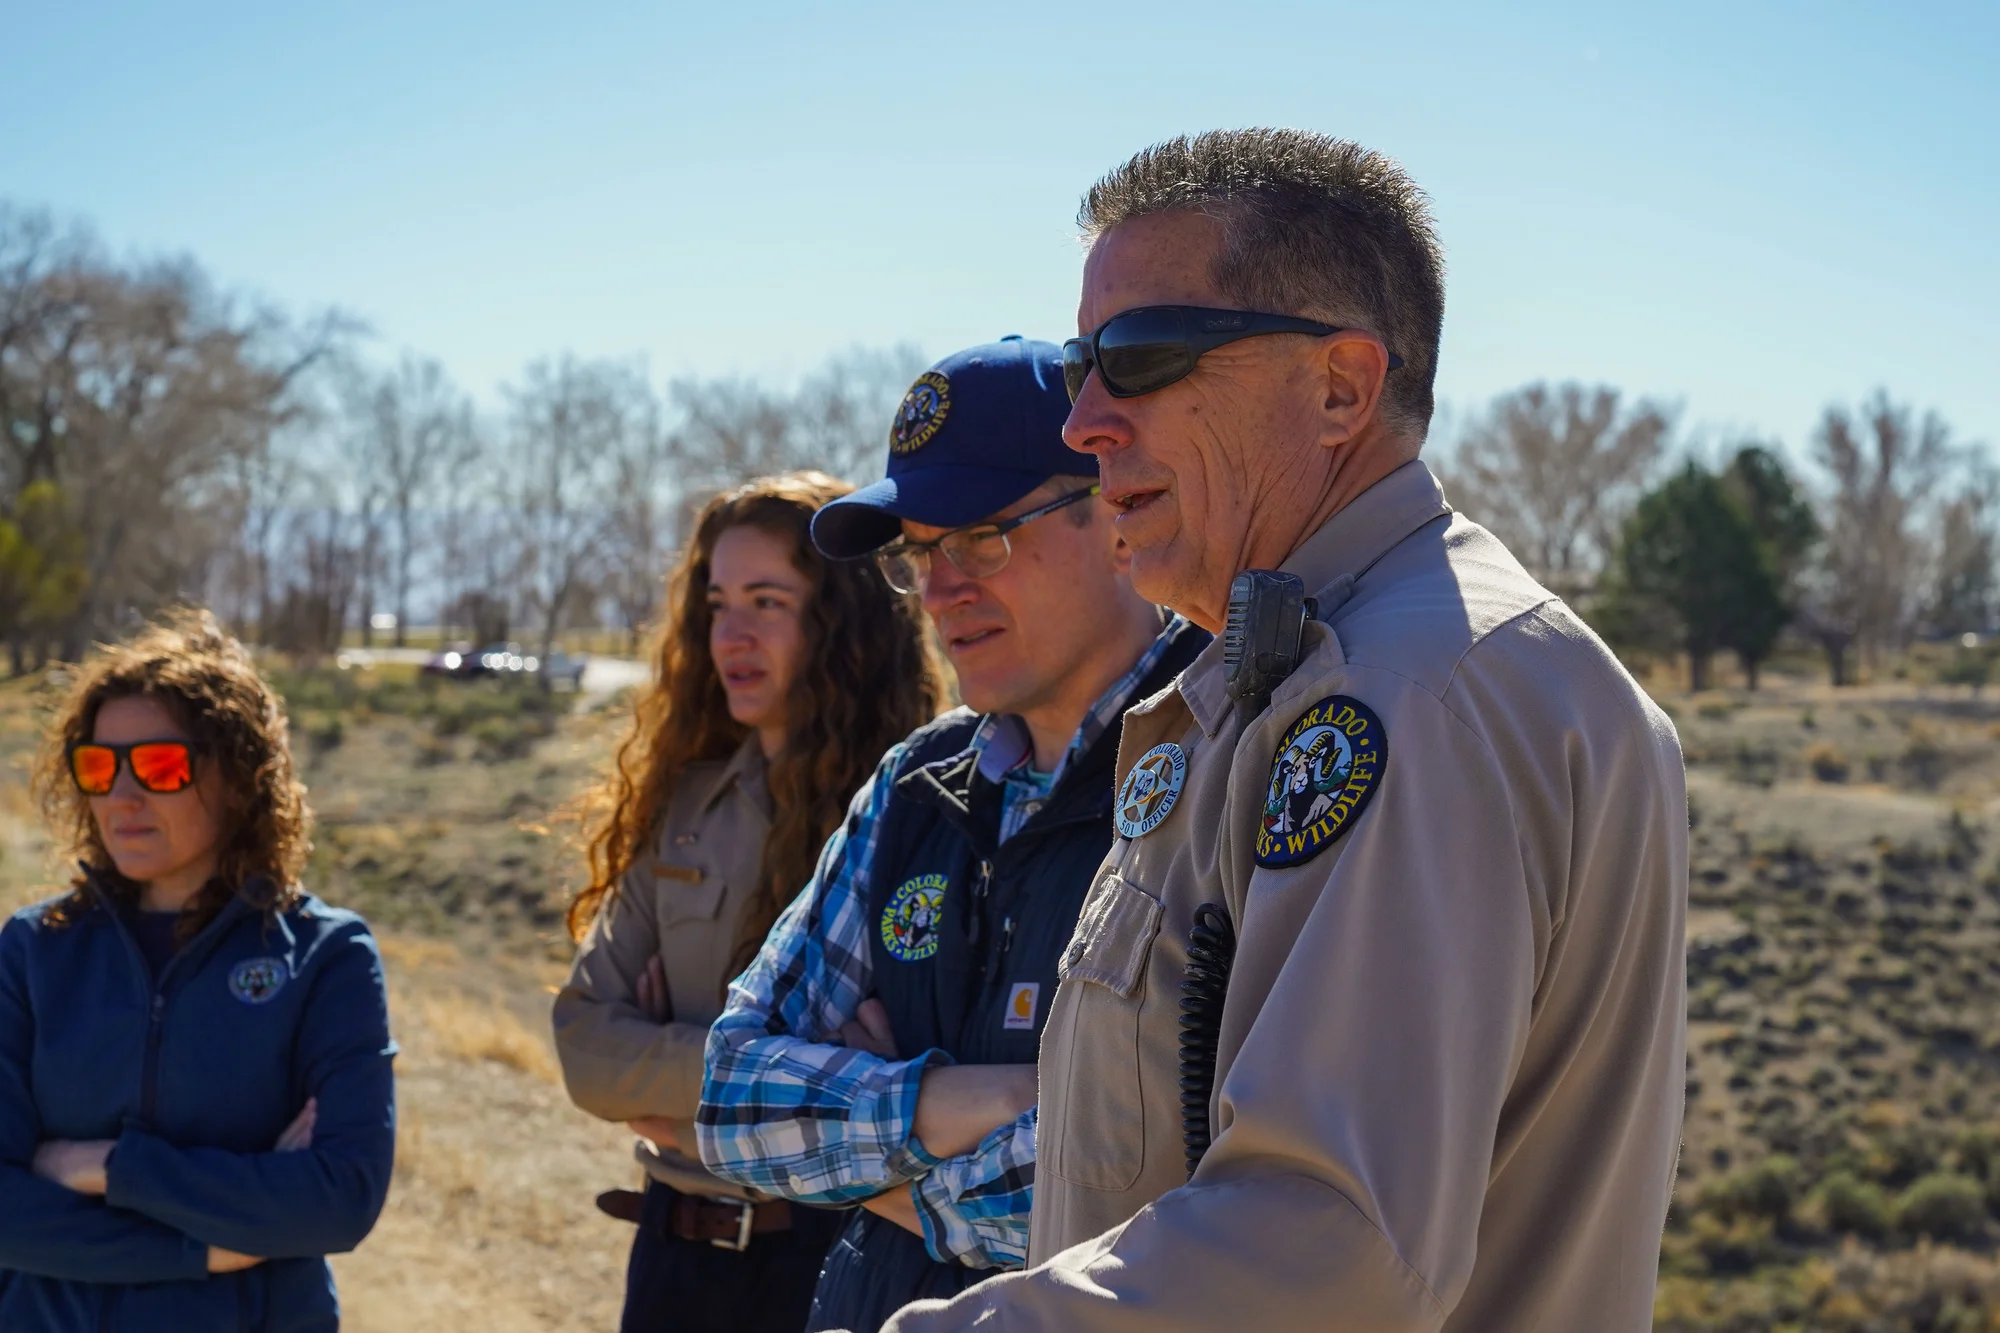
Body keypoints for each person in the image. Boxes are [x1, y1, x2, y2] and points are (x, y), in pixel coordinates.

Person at [877, 131, 1689, 1332]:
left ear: (1341, 388)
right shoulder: (1320, 668)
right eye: (1074, 370)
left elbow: (1325, 1244)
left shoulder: (1403, 695)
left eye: (1139, 356)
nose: (1086, 422)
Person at [696, 338, 1207, 1333]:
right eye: (919, 552)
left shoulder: (1218, 768)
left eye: (980, 536)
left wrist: (885, 1179)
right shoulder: (915, 784)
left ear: (1112, 510)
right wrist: (968, 1097)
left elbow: (1164, 1179)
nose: (938, 591)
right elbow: (730, 1099)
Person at [552, 472, 947, 1333]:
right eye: (718, 600)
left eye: (767, 600)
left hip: (830, 1260)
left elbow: (913, 1085)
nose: (731, 632)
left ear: (842, 620)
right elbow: (585, 1045)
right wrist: (800, 1091)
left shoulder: (916, 818)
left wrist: (679, 1090)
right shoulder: (684, 807)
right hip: (670, 1260)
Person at [0, 610, 395, 1332]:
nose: (122, 795)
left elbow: (340, 1197)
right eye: (98, 765)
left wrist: (108, 1166)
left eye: (159, 766)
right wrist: (206, 1248)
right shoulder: (33, 950)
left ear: (240, 778)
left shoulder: (324, 956)